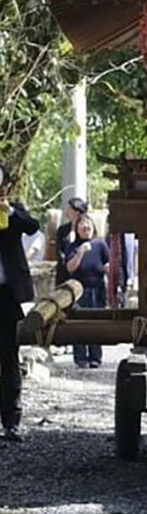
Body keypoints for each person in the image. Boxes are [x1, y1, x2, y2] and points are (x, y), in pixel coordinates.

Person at [0, 163, 40, 441]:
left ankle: (11, 421)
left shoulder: (13, 210)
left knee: (9, 357)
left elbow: (33, 226)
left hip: (7, 294)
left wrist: (10, 212)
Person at [65, 214, 109, 369]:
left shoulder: (100, 244)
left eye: (89, 226)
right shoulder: (73, 246)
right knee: (78, 322)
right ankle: (80, 357)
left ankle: (95, 356)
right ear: (77, 229)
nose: (86, 229)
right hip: (78, 289)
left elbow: (108, 262)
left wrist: (107, 269)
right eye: (82, 226)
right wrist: (80, 252)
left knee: (97, 322)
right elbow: (70, 268)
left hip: (97, 289)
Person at [55, 197, 88, 285]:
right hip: (63, 273)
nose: (67, 211)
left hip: (80, 273)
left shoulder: (85, 229)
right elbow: (59, 248)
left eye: (69, 208)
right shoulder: (63, 229)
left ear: (76, 212)